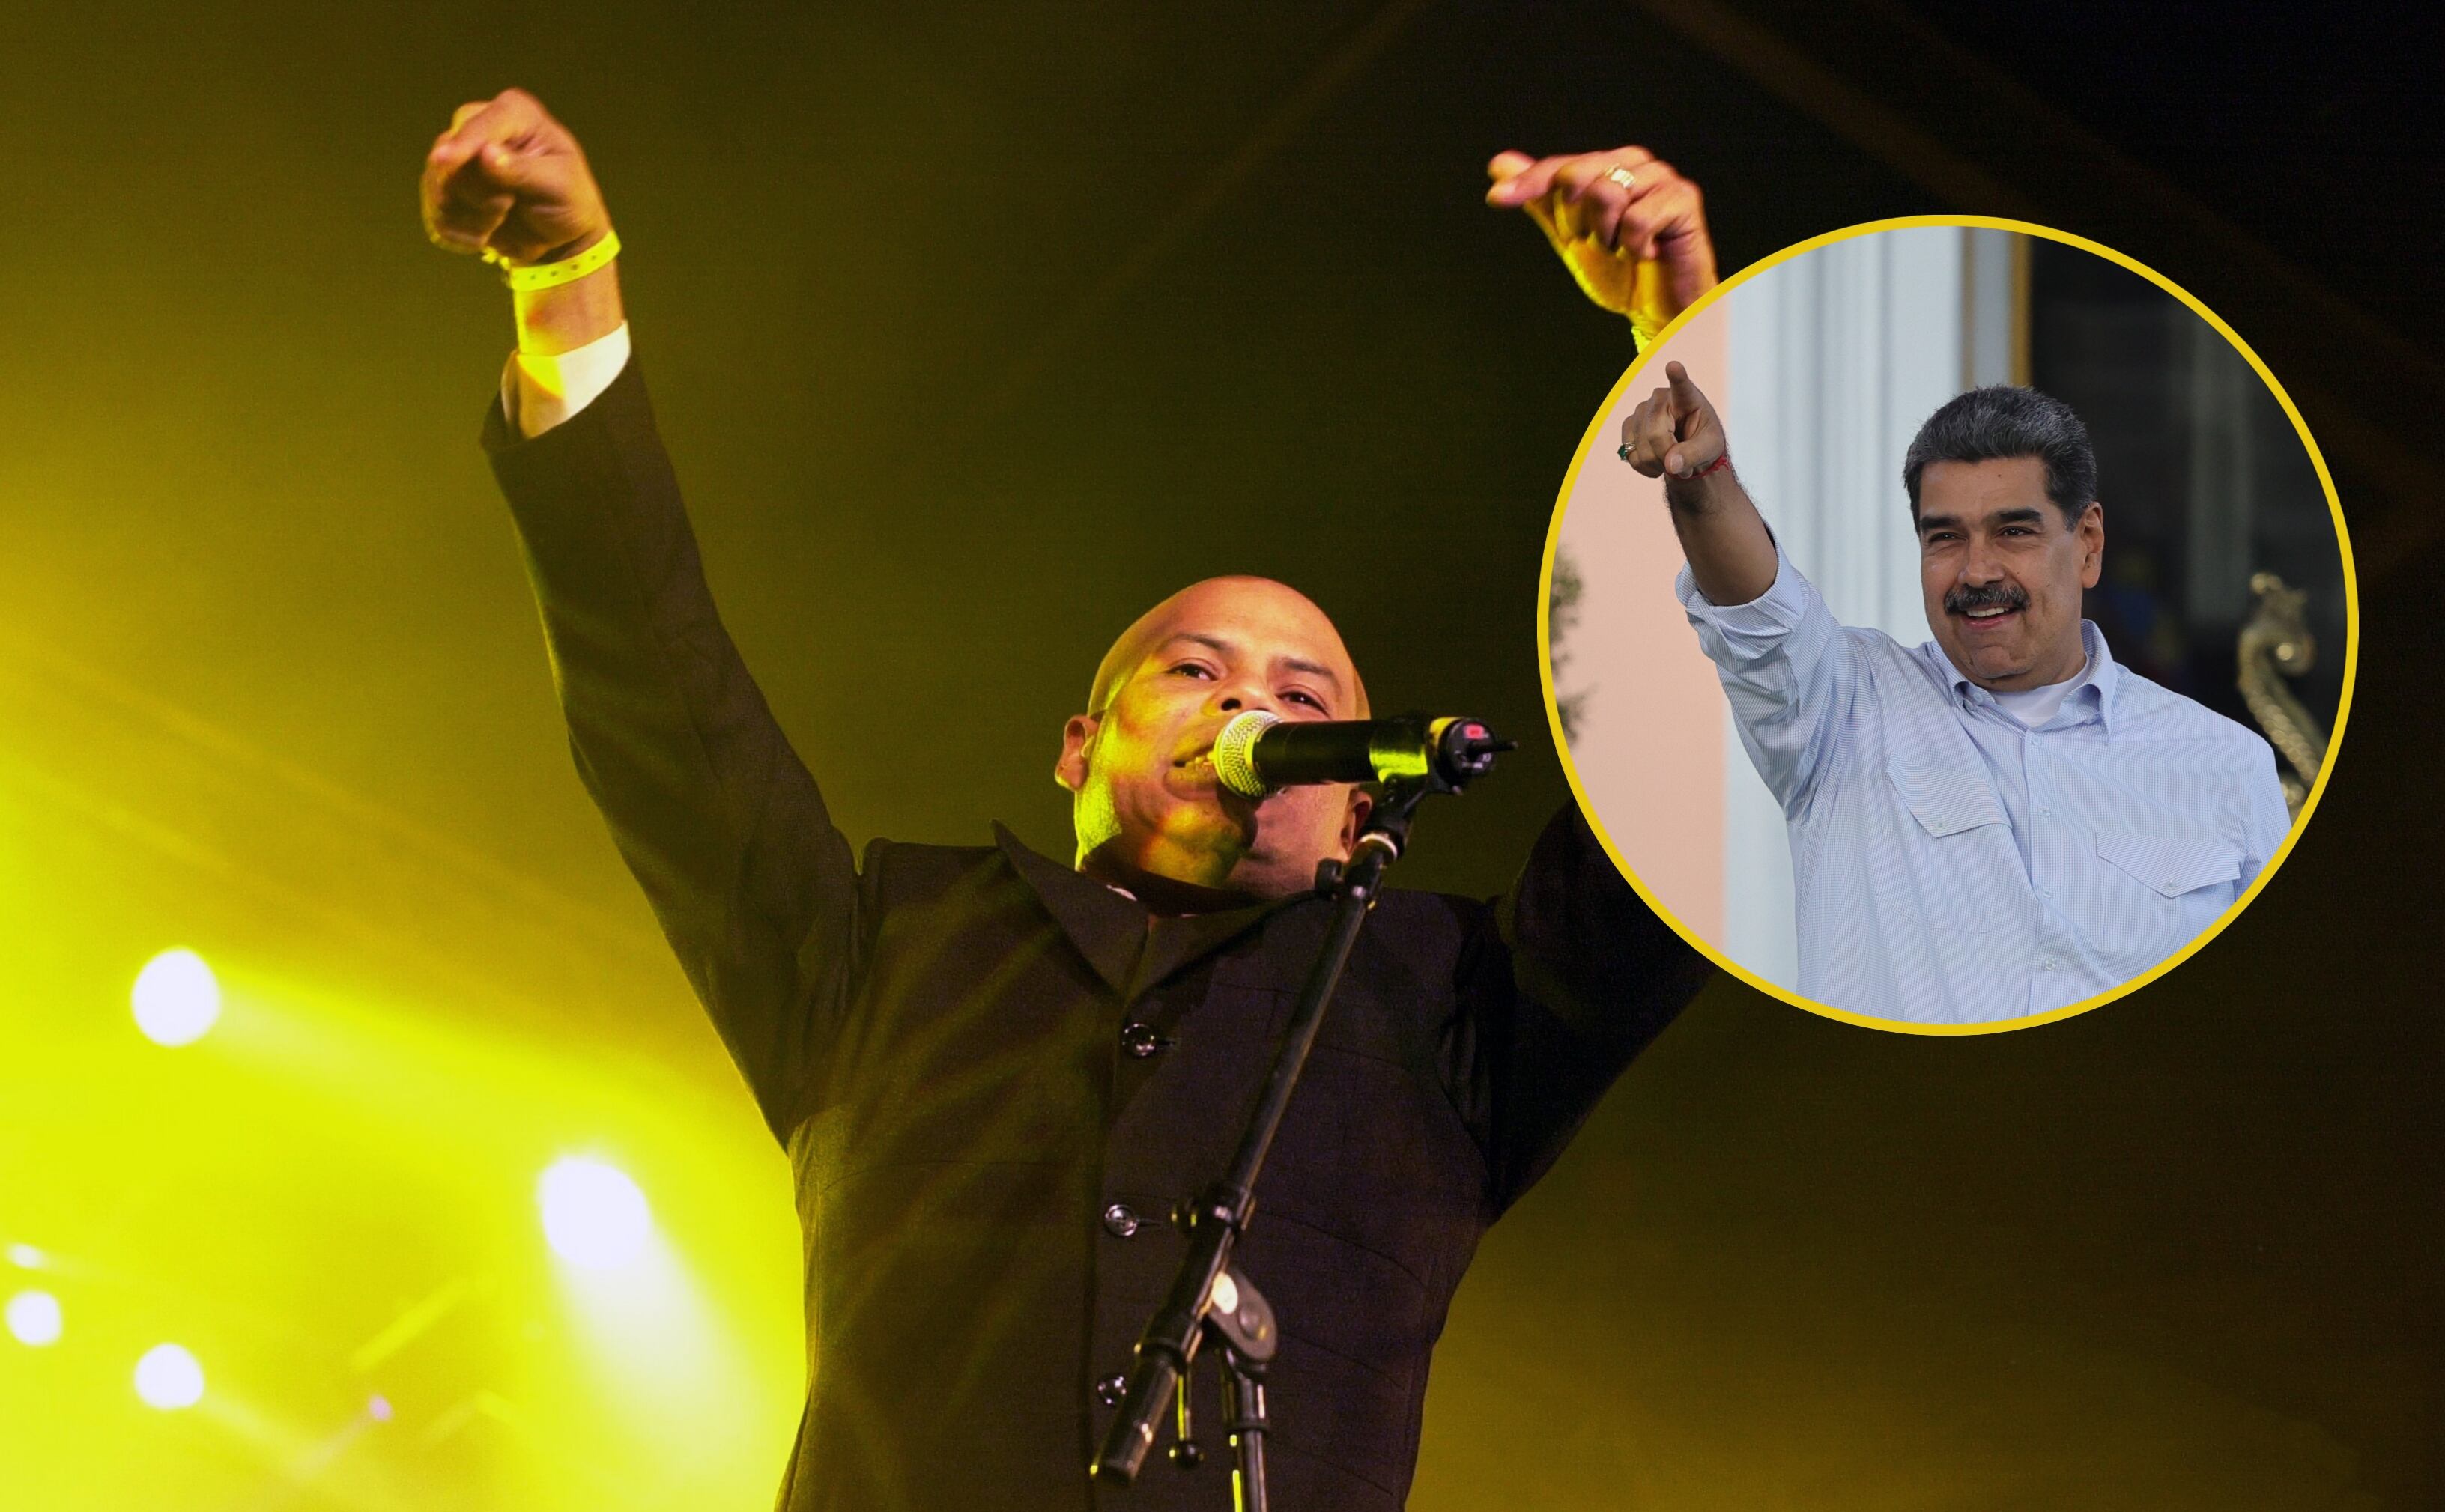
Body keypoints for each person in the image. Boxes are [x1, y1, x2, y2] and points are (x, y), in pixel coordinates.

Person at [422, 89, 1716, 1511]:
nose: (1247, 705)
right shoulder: (887, 945)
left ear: (1359, 803)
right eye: (1193, 667)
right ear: (1077, 746)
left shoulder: (1453, 999)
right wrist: (565, 295)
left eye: (1303, 697)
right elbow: (663, 704)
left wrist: (1680, 350)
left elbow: (1698, 748)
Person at [1618, 364, 2292, 1025]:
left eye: (2013, 531)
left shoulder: (2227, 764)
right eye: (1945, 537)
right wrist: (1703, 481)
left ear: (2087, 544)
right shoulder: (1843, 708)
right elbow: (1759, 616)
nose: (1976, 571)